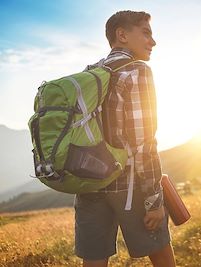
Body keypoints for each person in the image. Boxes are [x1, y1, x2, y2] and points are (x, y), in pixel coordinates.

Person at [74, 11, 176, 267]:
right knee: (161, 254)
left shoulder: (90, 74)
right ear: (122, 35)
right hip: (129, 183)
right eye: (146, 33)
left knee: (94, 260)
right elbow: (143, 142)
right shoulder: (137, 71)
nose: (153, 42)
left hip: (89, 183)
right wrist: (154, 200)